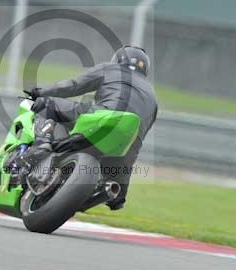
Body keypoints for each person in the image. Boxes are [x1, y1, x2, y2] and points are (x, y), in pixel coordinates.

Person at [25, 46, 158, 211]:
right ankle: (105, 193)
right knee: (114, 191)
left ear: (118, 59)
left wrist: (40, 92)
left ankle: (41, 146)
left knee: (47, 105)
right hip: (124, 146)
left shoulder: (110, 69)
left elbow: (73, 85)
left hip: (102, 118)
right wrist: (121, 190)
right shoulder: (152, 95)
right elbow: (139, 137)